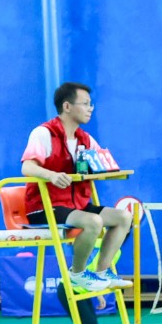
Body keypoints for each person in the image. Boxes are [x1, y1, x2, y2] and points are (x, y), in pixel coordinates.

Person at [20, 81, 132, 293]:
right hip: (45, 207)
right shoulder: (44, 133)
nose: (91, 108)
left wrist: (110, 170)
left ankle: (102, 272)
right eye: (85, 103)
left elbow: (101, 163)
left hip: (76, 205)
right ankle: (78, 274)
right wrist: (51, 175)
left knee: (123, 218)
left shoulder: (85, 139)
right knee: (93, 221)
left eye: (91, 104)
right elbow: (27, 167)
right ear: (67, 106)